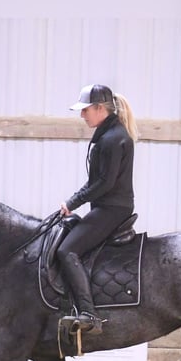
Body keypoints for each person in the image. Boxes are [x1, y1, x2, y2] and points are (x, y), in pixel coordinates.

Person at [57, 84, 138, 335]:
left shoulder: (113, 139)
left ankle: (88, 312)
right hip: (109, 206)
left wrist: (72, 202)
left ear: (100, 109)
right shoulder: (109, 135)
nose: (83, 116)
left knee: (67, 251)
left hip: (112, 208)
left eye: (85, 111)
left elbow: (104, 183)